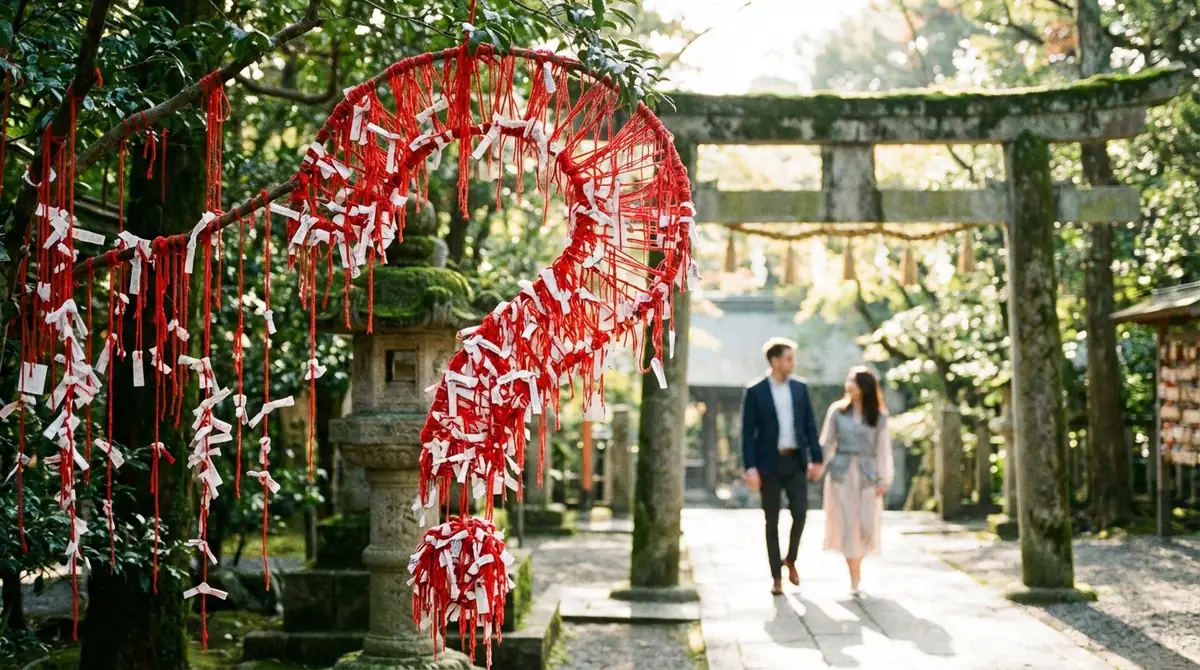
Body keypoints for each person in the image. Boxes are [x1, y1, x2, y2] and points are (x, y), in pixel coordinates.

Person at [741, 338, 823, 596]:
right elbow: (747, 433)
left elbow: (810, 425)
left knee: (800, 512)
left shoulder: (800, 388)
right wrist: (750, 467)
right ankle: (776, 576)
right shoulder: (755, 391)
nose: (792, 363)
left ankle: (791, 558)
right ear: (775, 361)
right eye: (788, 358)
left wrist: (817, 459)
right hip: (769, 463)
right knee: (772, 520)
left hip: (795, 460)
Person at [816, 366, 894, 596]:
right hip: (841, 474)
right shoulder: (837, 412)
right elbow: (827, 443)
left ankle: (857, 569)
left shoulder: (878, 416)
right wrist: (817, 467)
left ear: (864, 387)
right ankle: (854, 577)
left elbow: (883, 449)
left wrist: (883, 479)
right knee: (847, 522)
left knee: (865, 523)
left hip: (867, 475)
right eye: (849, 380)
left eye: (854, 381)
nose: (849, 384)